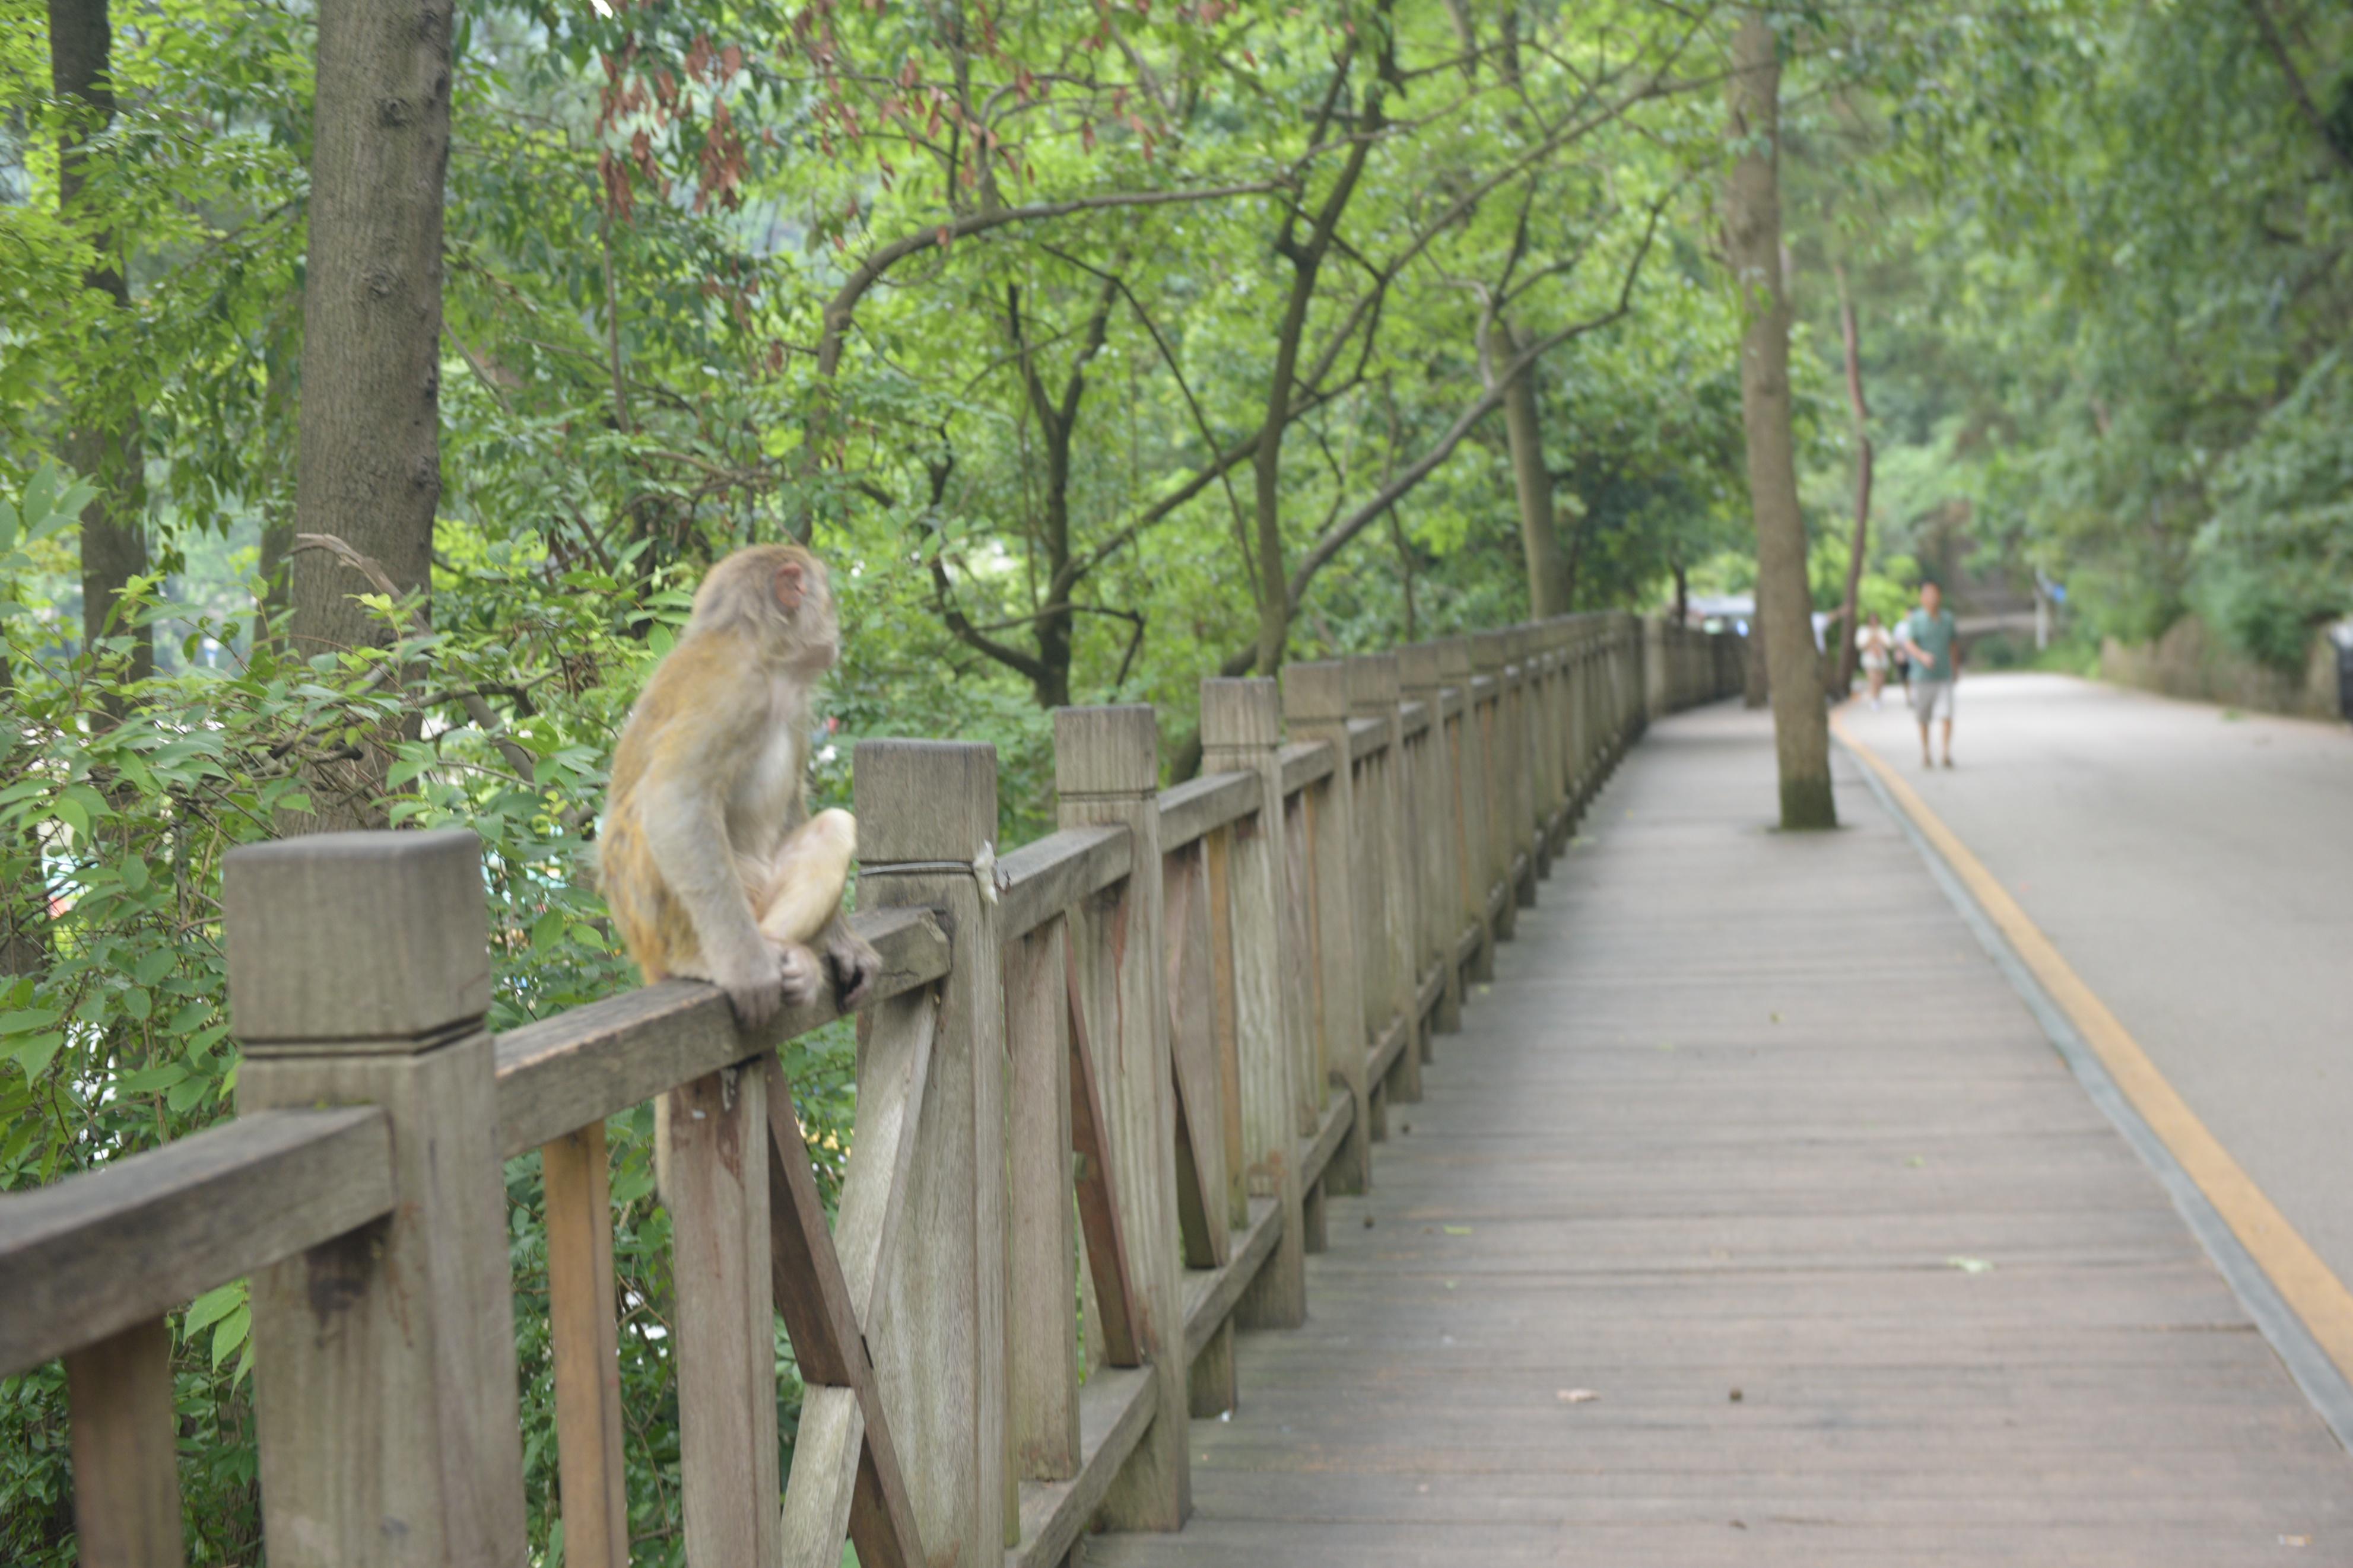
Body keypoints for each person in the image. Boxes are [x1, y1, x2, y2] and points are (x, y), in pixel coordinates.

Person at [1895, 581, 1960, 768]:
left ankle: (1946, 752)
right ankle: (1926, 752)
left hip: (1944, 675)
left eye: (1936, 594)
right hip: (1922, 677)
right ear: (1923, 599)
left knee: (1947, 714)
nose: (1933, 598)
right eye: (1929, 595)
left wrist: (1955, 668)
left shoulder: (1948, 619)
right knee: (1924, 717)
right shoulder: (1916, 620)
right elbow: (1909, 644)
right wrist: (1922, 656)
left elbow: (1953, 645)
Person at [1855, 610, 1893, 708]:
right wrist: (1872, 638)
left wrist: (1879, 638)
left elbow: (1889, 645)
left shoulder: (1882, 630)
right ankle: (1874, 699)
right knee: (1873, 679)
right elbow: (1860, 645)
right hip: (1870, 659)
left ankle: (1878, 697)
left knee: (1880, 681)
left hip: (1881, 659)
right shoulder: (1863, 630)